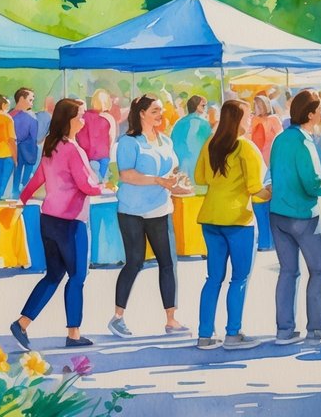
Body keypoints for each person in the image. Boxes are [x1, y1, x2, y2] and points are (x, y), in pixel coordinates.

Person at [11, 98, 102, 350]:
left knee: (53, 275)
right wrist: (102, 187)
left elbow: (38, 177)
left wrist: (22, 199)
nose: (84, 120)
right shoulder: (73, 149)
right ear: (69, 119)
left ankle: (22, 323)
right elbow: (86, 186)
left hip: (48, 219)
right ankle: (73, 334)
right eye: (81, 115)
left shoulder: (51, 145)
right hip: (71, 222)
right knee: (77, 276)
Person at [109, 95, 189, 339]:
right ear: (141, 113)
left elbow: (171, 172)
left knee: (168, 263)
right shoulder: (129, 142)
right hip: (132, 211)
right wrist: (158, 180)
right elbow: (126, 175)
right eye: (155, 110)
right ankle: (117, 317)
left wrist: (176, 183)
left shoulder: (165, 140)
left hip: (161, 209)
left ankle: (171, 319)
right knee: (134, 262)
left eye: (161, 111)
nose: (160, 115)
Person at [195, 99, 269, 351]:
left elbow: (200, 177)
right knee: (239, 278)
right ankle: (233, 333)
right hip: (239, 220)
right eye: (248, 116)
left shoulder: (210, 144)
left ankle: (205, 334)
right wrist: (271, 191)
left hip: (210, 217)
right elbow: (255, 189)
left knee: (213, 277)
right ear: (237, 120)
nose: (250, 121)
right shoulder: (246, 148)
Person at [268, 90, 321, 345]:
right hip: (304, 215)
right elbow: (312, 184)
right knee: (319, 270)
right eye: (320, 109)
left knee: (288, 272)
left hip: (278, 213)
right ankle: (317, 328)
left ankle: (284, 331)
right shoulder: (304, 142)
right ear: (310, 114)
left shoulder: (281, 138)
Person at [75, 90, 116, 184]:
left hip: (88, 155)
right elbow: (111, 138)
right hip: (104, 155)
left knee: (91, 180)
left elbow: (78, 134)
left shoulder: (85, 116)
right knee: (101, 181)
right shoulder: (109, 118)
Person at [171, 95, 212, 183]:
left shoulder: (179, 123)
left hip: (181, 164)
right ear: (196, 106)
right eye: (203, 106)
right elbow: (210, 145)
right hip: (197, 164)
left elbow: (172, 142)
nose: (205, 108)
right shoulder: (203, 123)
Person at [10, 88, 40, 199]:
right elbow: (33, 134)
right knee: (19, 172)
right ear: (22, 99)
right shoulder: (26, 117)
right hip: (23, 149)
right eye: (30, 100)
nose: (32, 103)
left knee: (21, 172)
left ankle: (19, 191)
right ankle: (19, 191)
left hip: (26, 149)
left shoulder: (11, 115)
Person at [251, 94, 283, 162]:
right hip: (256, 154)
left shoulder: (273, 119)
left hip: (271, 154)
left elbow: (280, 137)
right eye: (256, 105)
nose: (257, 107)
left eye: (259, 105)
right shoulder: (253, 119)